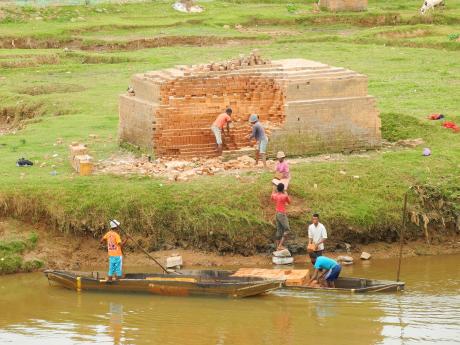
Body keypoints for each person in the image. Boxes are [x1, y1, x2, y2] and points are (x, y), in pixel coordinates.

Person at [271, 183, 291, 251]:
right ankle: (280, 246)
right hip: (282, 214)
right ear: (283, 189)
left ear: (277, 189)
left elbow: (272, 196)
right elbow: (289, 202)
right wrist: (286, 192)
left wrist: (273, 190)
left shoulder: (275, 195)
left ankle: (277, 247)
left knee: (279, 230)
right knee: (287, 230)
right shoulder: (284, 196)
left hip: (276, 214)